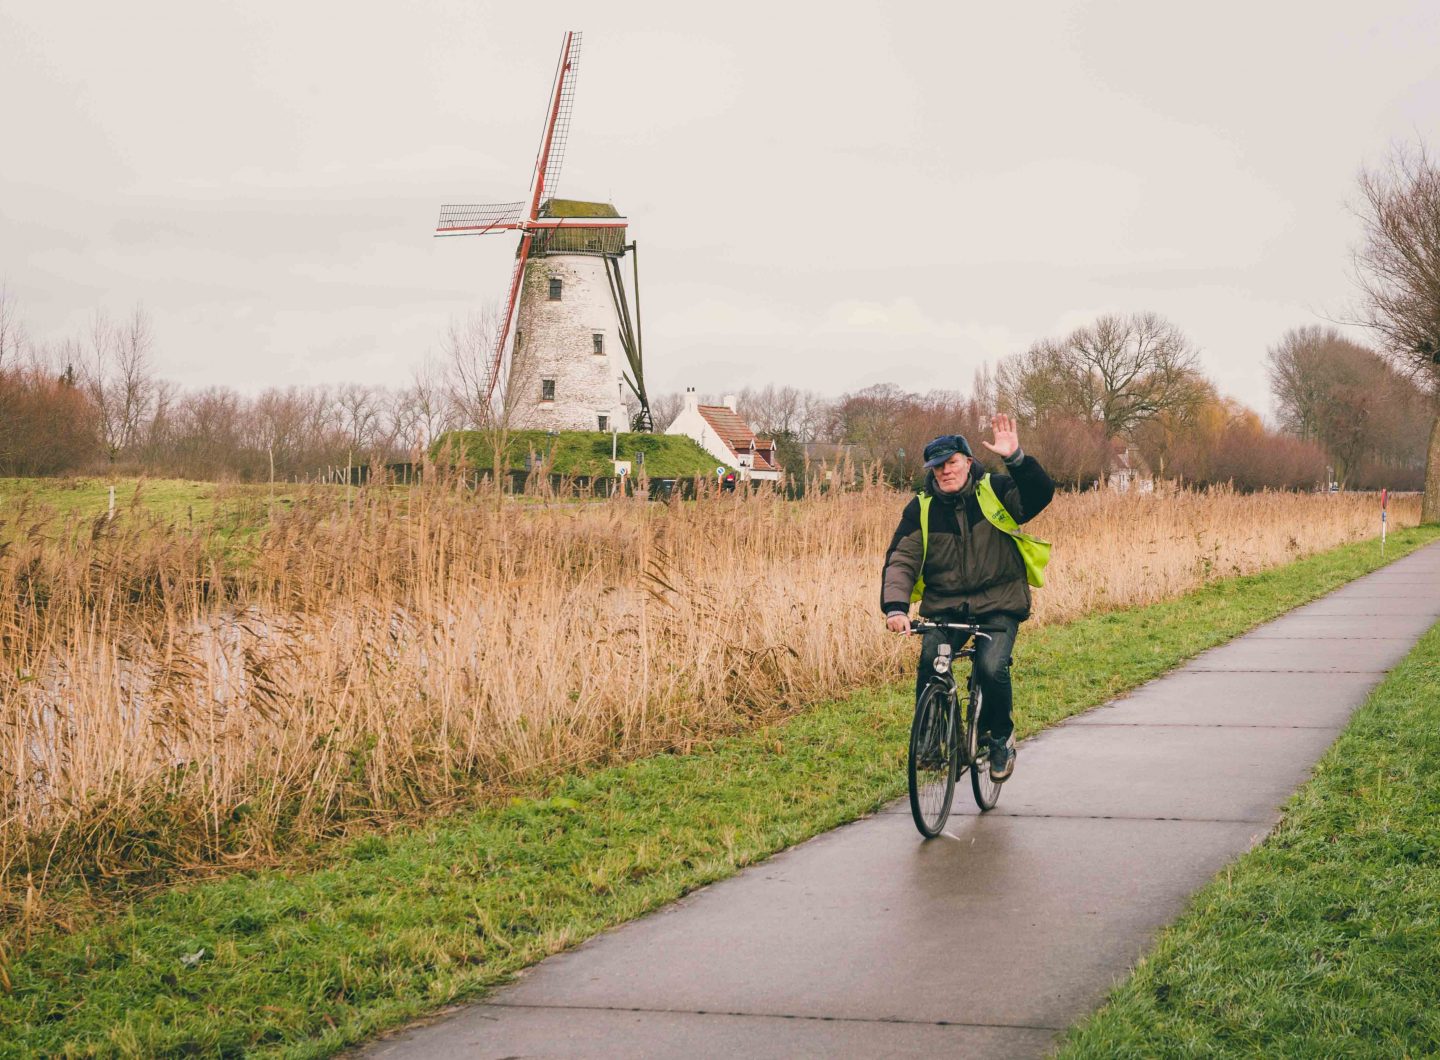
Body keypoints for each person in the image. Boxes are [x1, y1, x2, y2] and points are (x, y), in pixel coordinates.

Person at [881, 415, 1055, 781]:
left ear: (968, 463)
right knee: (932, 659)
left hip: (1000, 602)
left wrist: (1017, 458)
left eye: (952, 463)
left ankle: (998, 739)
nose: (946, 471)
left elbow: (1039, 495)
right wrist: (896, 607)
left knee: (992, 668)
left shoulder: (995, 490)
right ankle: (932, 742)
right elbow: (902, 559)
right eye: (938, 466)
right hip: (946, 607)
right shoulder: (922, 509)